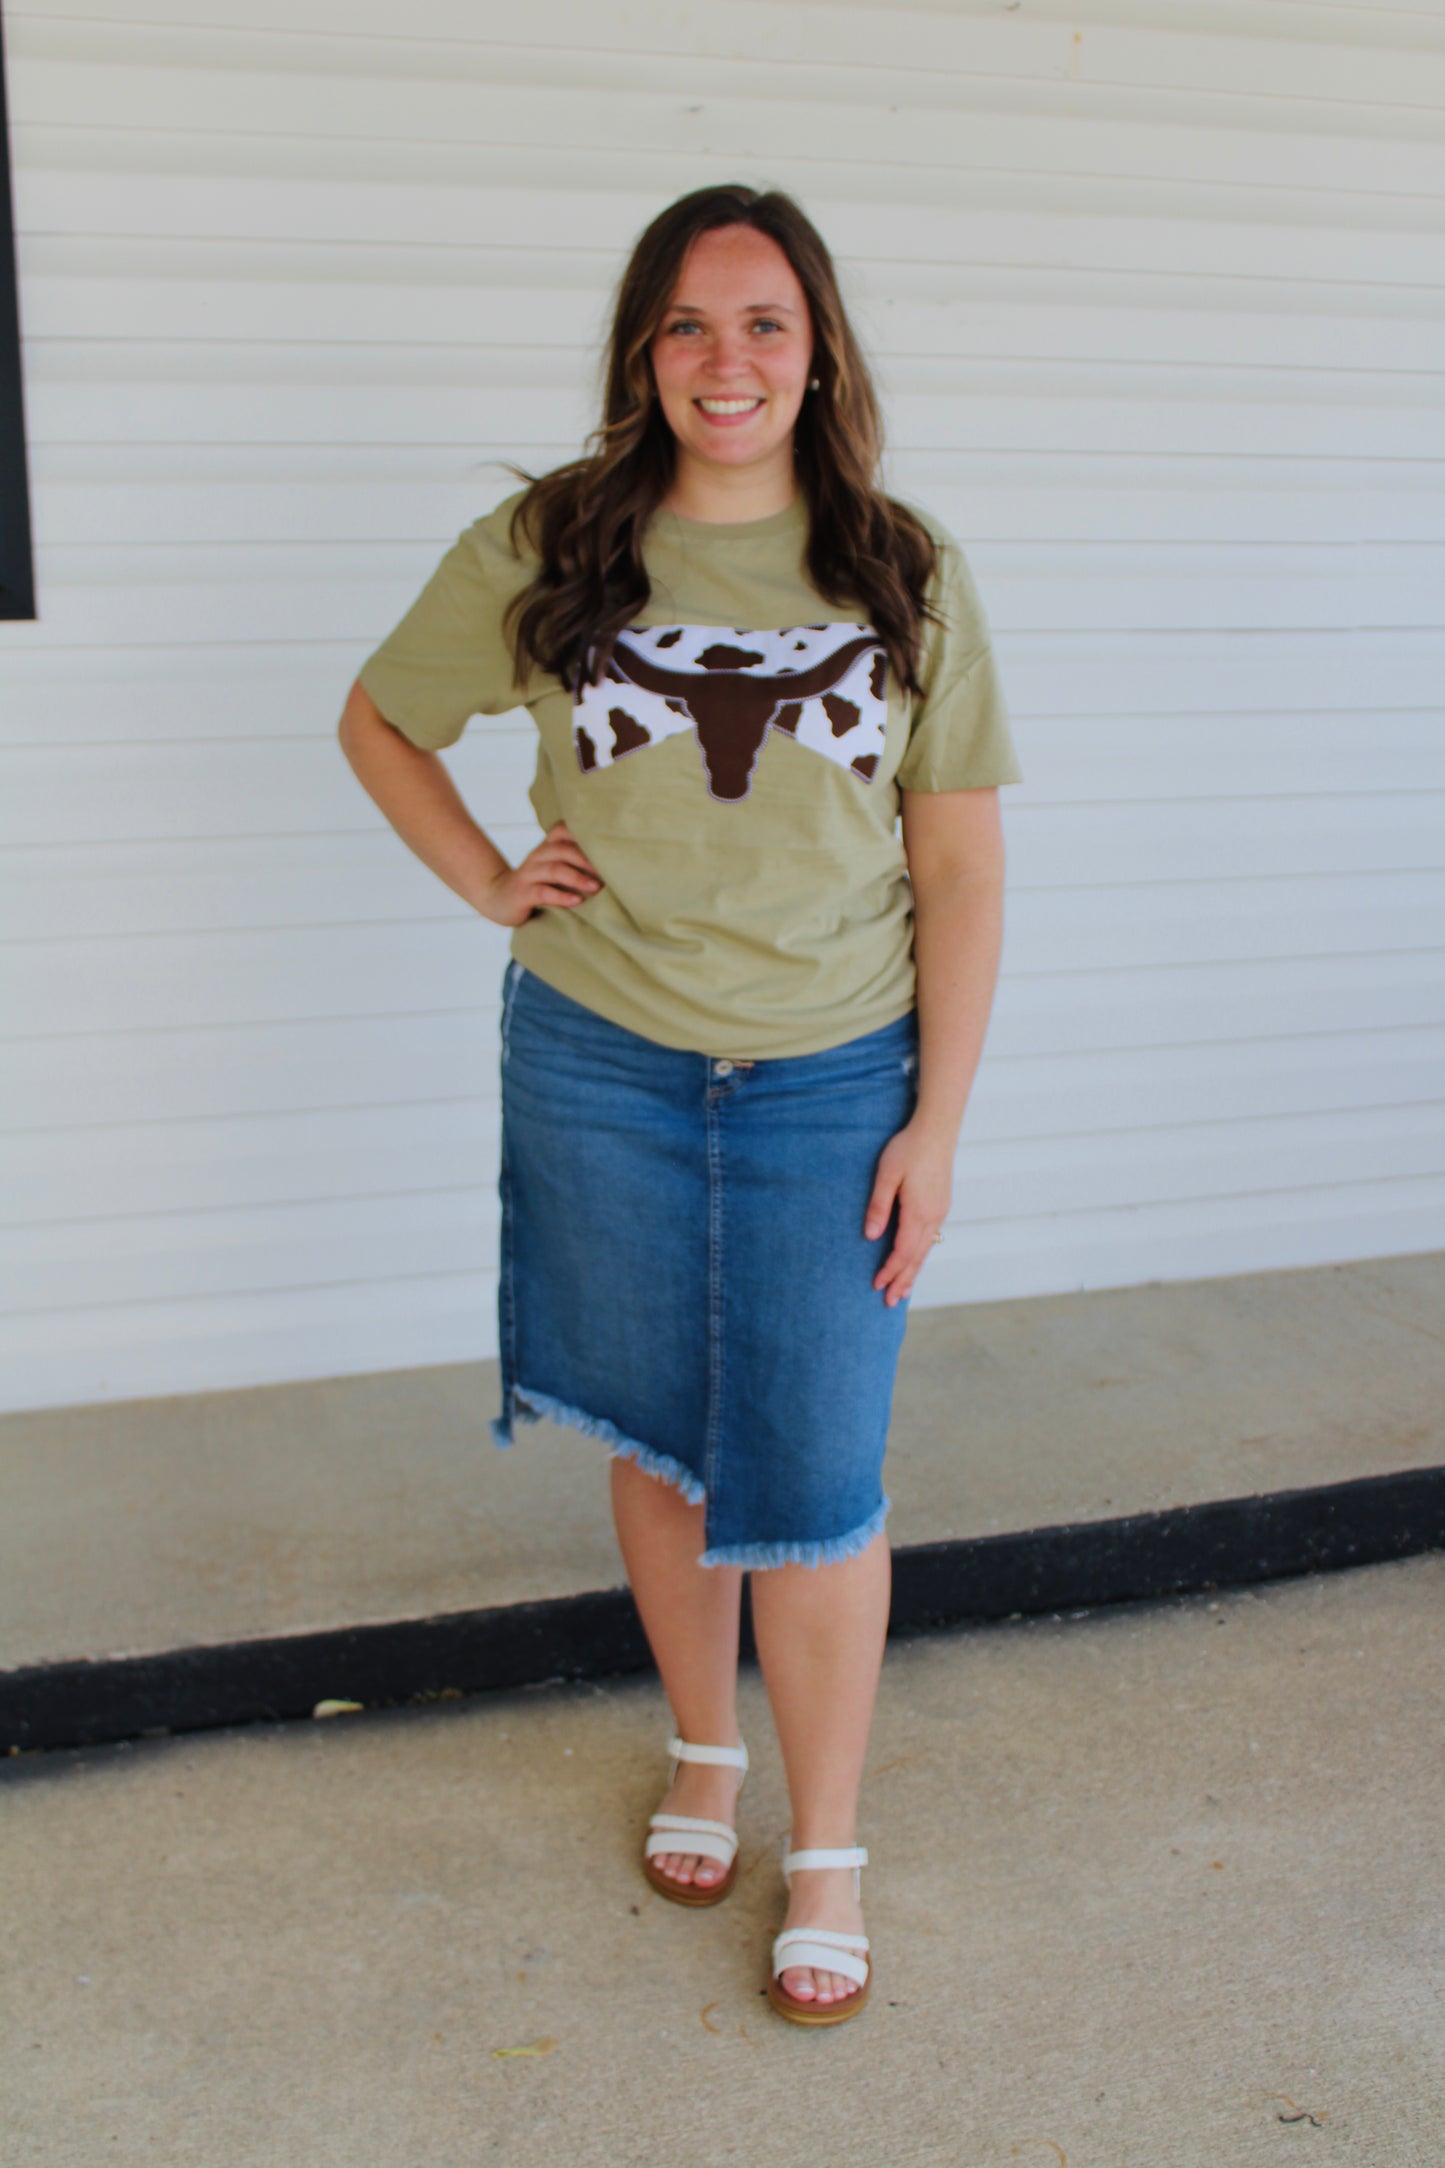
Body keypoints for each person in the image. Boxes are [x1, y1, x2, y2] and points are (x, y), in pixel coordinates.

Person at [337, 183, 1022, 2027]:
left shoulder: (900, 566)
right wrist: (491, 878)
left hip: (827, 1084)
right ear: (646, 351)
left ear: (817, 355)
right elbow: (380, 719)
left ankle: (831, 1848)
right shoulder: (554, 542)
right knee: (658, 1437)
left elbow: (959, 873)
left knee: (811, 1476)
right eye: (691, 326)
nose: (731, 362)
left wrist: (933, 1123)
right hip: (600, 1059)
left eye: (767, 325)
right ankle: (704, 1750)